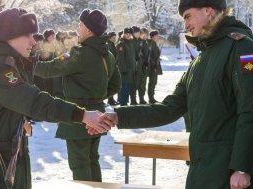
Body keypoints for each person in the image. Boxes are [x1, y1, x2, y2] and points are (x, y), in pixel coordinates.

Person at [97, 0, 253, 188]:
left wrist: (242, 168)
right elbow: (169, 108)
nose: (185, 25)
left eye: (188, 16)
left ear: (208, 10)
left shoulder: (241, 47)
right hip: (201, 170)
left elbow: (250, 109)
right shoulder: (200, 59)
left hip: (229, 174)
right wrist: (119, 116)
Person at [0, 8, 113, 189]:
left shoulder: (11, 64)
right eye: (28, 35)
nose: (34, 42)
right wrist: (82, 115)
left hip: (11, 156)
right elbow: (34, 101)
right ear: (11, 36)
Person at [34, 9, 121, 182]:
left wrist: (26, 63)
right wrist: (97, 96)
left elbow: (49, 69)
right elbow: (115, 84)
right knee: (92, 159)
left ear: (88, 29)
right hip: (99, 112)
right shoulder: (107, 54)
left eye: (80, 25)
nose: (77, 28)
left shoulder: (79, 53)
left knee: (80, 163)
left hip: (79, 115)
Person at [116, 27, 135, 106]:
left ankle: (125, 101)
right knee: (124, 87)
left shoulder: (130, 43)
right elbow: (121, 58)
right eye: (126, 34)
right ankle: (123, 102)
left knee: (128, 87)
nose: (128, 35)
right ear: (124, 34)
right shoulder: (121, 44)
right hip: (124, 70)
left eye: (129, 34)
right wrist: (123, 69)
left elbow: (132, 57)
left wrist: (134, 68)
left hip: (130, 70)